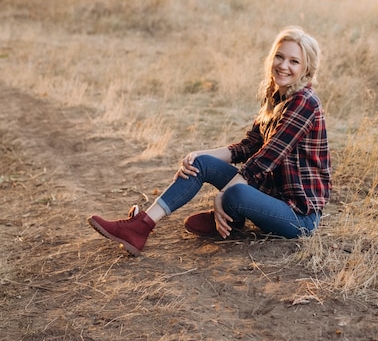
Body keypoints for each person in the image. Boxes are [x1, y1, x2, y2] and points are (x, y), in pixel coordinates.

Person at [88, 26, 331, 256]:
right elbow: (249, 146)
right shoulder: (275, 94)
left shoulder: (304, 102)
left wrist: (222, 196)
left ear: (307, 69)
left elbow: (264, 160)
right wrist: (200, 157)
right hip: (270, 195)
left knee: (236, 194)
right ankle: (141, 226)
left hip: (298, 215)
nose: (283, 65)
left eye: (294, 61)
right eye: (279, 57)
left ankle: (230, 214)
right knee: (201, 163)